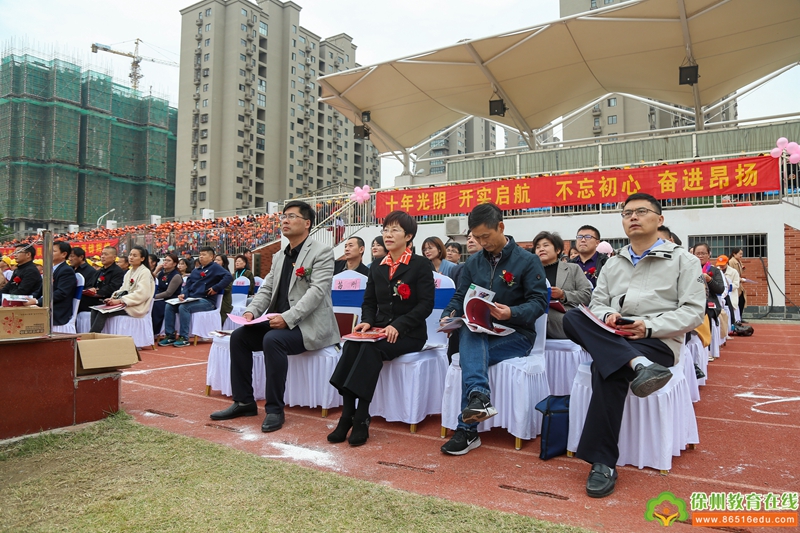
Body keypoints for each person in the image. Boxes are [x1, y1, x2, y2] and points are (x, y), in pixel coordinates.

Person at [561, 192, 705, 498]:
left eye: (641, 211)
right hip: (615, 334)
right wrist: (608, 314)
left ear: (660, 219)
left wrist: (649, 327)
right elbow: (596, 303)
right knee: (573, 318)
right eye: (626, 213)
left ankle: (602, 462)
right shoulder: (614, 264)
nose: (633, 217)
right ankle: (639, 367)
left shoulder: (684, 260)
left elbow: (693, 312)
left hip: (657, 342)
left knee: (608, 368)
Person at [210, 201, 339, 433]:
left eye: (291, 216)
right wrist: (251, 312)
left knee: (273, 340)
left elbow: (317, 292)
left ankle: (274, 409)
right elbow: (267, 289)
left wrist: (288, 318)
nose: (285, 220)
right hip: (278, 321)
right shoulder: (280, 256)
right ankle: (244, 402)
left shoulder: (322, 252)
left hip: (307, 325)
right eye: (283, 216)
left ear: (307, 223)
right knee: (239, 337)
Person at [439, 203, 548, 456]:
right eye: (476, 237)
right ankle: (479, 399)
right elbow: (459, 296)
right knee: (468, 329)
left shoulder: (527, 260)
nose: (481, 242)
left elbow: (539, 302)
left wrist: (512, 312)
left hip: (517, 335)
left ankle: (467, 430)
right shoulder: (474, 262)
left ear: (501, 227)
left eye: (485, 236)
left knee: (469, 344)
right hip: (481, 331)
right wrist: (448, 316)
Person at [328, 211, 435, 446]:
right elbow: (369, 302)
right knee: (352, 344)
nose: (388, 234)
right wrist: (366, 321)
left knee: (370, 350)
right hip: (378, 329)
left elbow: (426, 305)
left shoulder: (420, 265)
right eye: (385, 229)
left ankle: (361, 418)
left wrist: (399, 325)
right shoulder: (377, 265)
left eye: (395, 230)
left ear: (408, 236)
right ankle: (346, 416)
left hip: (410, 333)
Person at [158, 247, 232, 347]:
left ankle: (184, 337)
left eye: (204, 255)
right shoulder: (196, 270)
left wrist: (216, 287)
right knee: (169, 306)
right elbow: (188, 284)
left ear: (211, 257)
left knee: (184, 307)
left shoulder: (215, 267)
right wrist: (184, 294)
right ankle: (170, 335)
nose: (201, 257)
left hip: (207, 301)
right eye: (200, 254)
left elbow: (228, 276)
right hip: (192, 299)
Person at [532, 231, 592, 339]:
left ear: (558, 250)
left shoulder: (573, 269)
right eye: (537, 247)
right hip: (536, 322)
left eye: (546, 245)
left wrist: (563, 295)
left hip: (564, 319)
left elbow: (587, 295)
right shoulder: (530, 273)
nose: (541, 249)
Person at [89, 246, 156, 333]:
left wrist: (121, 301)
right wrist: (113, 298)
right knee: (95, 309)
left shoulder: (145, 272)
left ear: (142, 258)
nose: (131, 257)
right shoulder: (129, 272)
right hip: (126, 303)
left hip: (136, 306)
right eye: (130, 255)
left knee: (103, 312)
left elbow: (143, 294)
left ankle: (93, 337)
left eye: (135, 255)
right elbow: (123, 289)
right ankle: (94, 336)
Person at [25, 242, 77, 328]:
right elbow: (40, 291)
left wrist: (38, 301)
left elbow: (61, 293)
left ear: (64, 254)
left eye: (53, 251)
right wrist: (28, 298)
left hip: (57, 310)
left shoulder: (66, 271)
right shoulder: (51, 269)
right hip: (48, 305)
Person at [79, 246, 126, 313]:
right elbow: (90, 283)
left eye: (106, 254)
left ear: (114, 257)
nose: (103, 256)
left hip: (106, 299)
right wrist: (90, 289)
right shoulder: (99, 271)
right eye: (102, 254)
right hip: (93, 297)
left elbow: (113, 287)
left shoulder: (118, 272)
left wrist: (97, 292)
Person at [693, 243, 726, 327]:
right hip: (692, 303)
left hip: (710, 304)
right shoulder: (689, 269)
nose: (700, 256)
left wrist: (710, 280)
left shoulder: (715, 271)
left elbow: (720, 289)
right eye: (697, 253)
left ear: (708, 255)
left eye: (703, 253)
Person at [152, 253, 183, 334]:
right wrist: (156, 271)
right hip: (159, 296)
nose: (165, 262)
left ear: (174, 264)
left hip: (170, 299)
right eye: (165, 260)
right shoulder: (161, 273)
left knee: (155, 306)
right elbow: (150, 282)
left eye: (168, 261)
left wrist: (153, 297)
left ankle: (155, 331)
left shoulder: (176, 276)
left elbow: (168, 293)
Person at [716, 255, 740, 323]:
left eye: (723, 265)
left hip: (731, 295)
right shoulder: (716, 270)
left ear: (727, 263)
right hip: (720, 295)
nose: (721, 266)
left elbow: (736, 284)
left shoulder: (733, 272)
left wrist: (727, 286)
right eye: (720, 265)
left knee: (731, 313)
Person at [727, 247, 747, 321]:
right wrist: (739, 279)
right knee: (737, 301)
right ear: (734, 254)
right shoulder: (731, 262)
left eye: (742, 254)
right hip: (734, 284)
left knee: (741, 300)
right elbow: (731, 274)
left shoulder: (738, 261)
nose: (741, 255)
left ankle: (739, 317)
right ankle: (736, 318)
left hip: (738, 284)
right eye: (740, 254)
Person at [215, 254, 233, 325]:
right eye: (215, 260)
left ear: (224, 262)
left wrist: (215, 288)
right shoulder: (212, 273)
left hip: (224, 301)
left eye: (218, 260)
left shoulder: (227, 274)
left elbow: (227, 288)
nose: (215, 262)